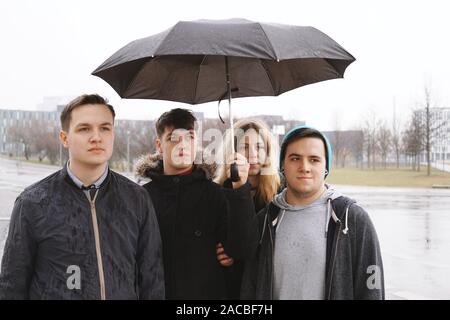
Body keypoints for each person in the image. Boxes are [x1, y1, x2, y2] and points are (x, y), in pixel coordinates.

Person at [0, 94, 164, 300]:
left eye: (105, 128)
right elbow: (12, 285)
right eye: (84, 129)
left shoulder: (137, 198)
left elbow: (152, 279)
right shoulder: (33, 202)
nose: (96, 137)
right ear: (64, 138)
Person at [241, 125, 385, 300]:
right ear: (282, 166)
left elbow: (372, 291)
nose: (304, 167)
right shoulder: (264, 221)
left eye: (314, 159)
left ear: (326, 167)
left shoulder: (352, 219)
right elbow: (249, 290)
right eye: (295, 158)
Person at [135, 108, 257, 300]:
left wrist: (241, 186)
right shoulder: (142, 197)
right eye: (173, 138)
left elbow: (243, 249)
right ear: (159, 145)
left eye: (190, 137)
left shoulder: (217, 194)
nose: (182, 145)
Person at [214, 118, 281, 299]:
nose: (253, 154)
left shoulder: (280, 192)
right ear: (232, 152)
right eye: (244, 147)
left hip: (269, 286)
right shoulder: (219, 192)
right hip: (233, 288)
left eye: (259, 147)